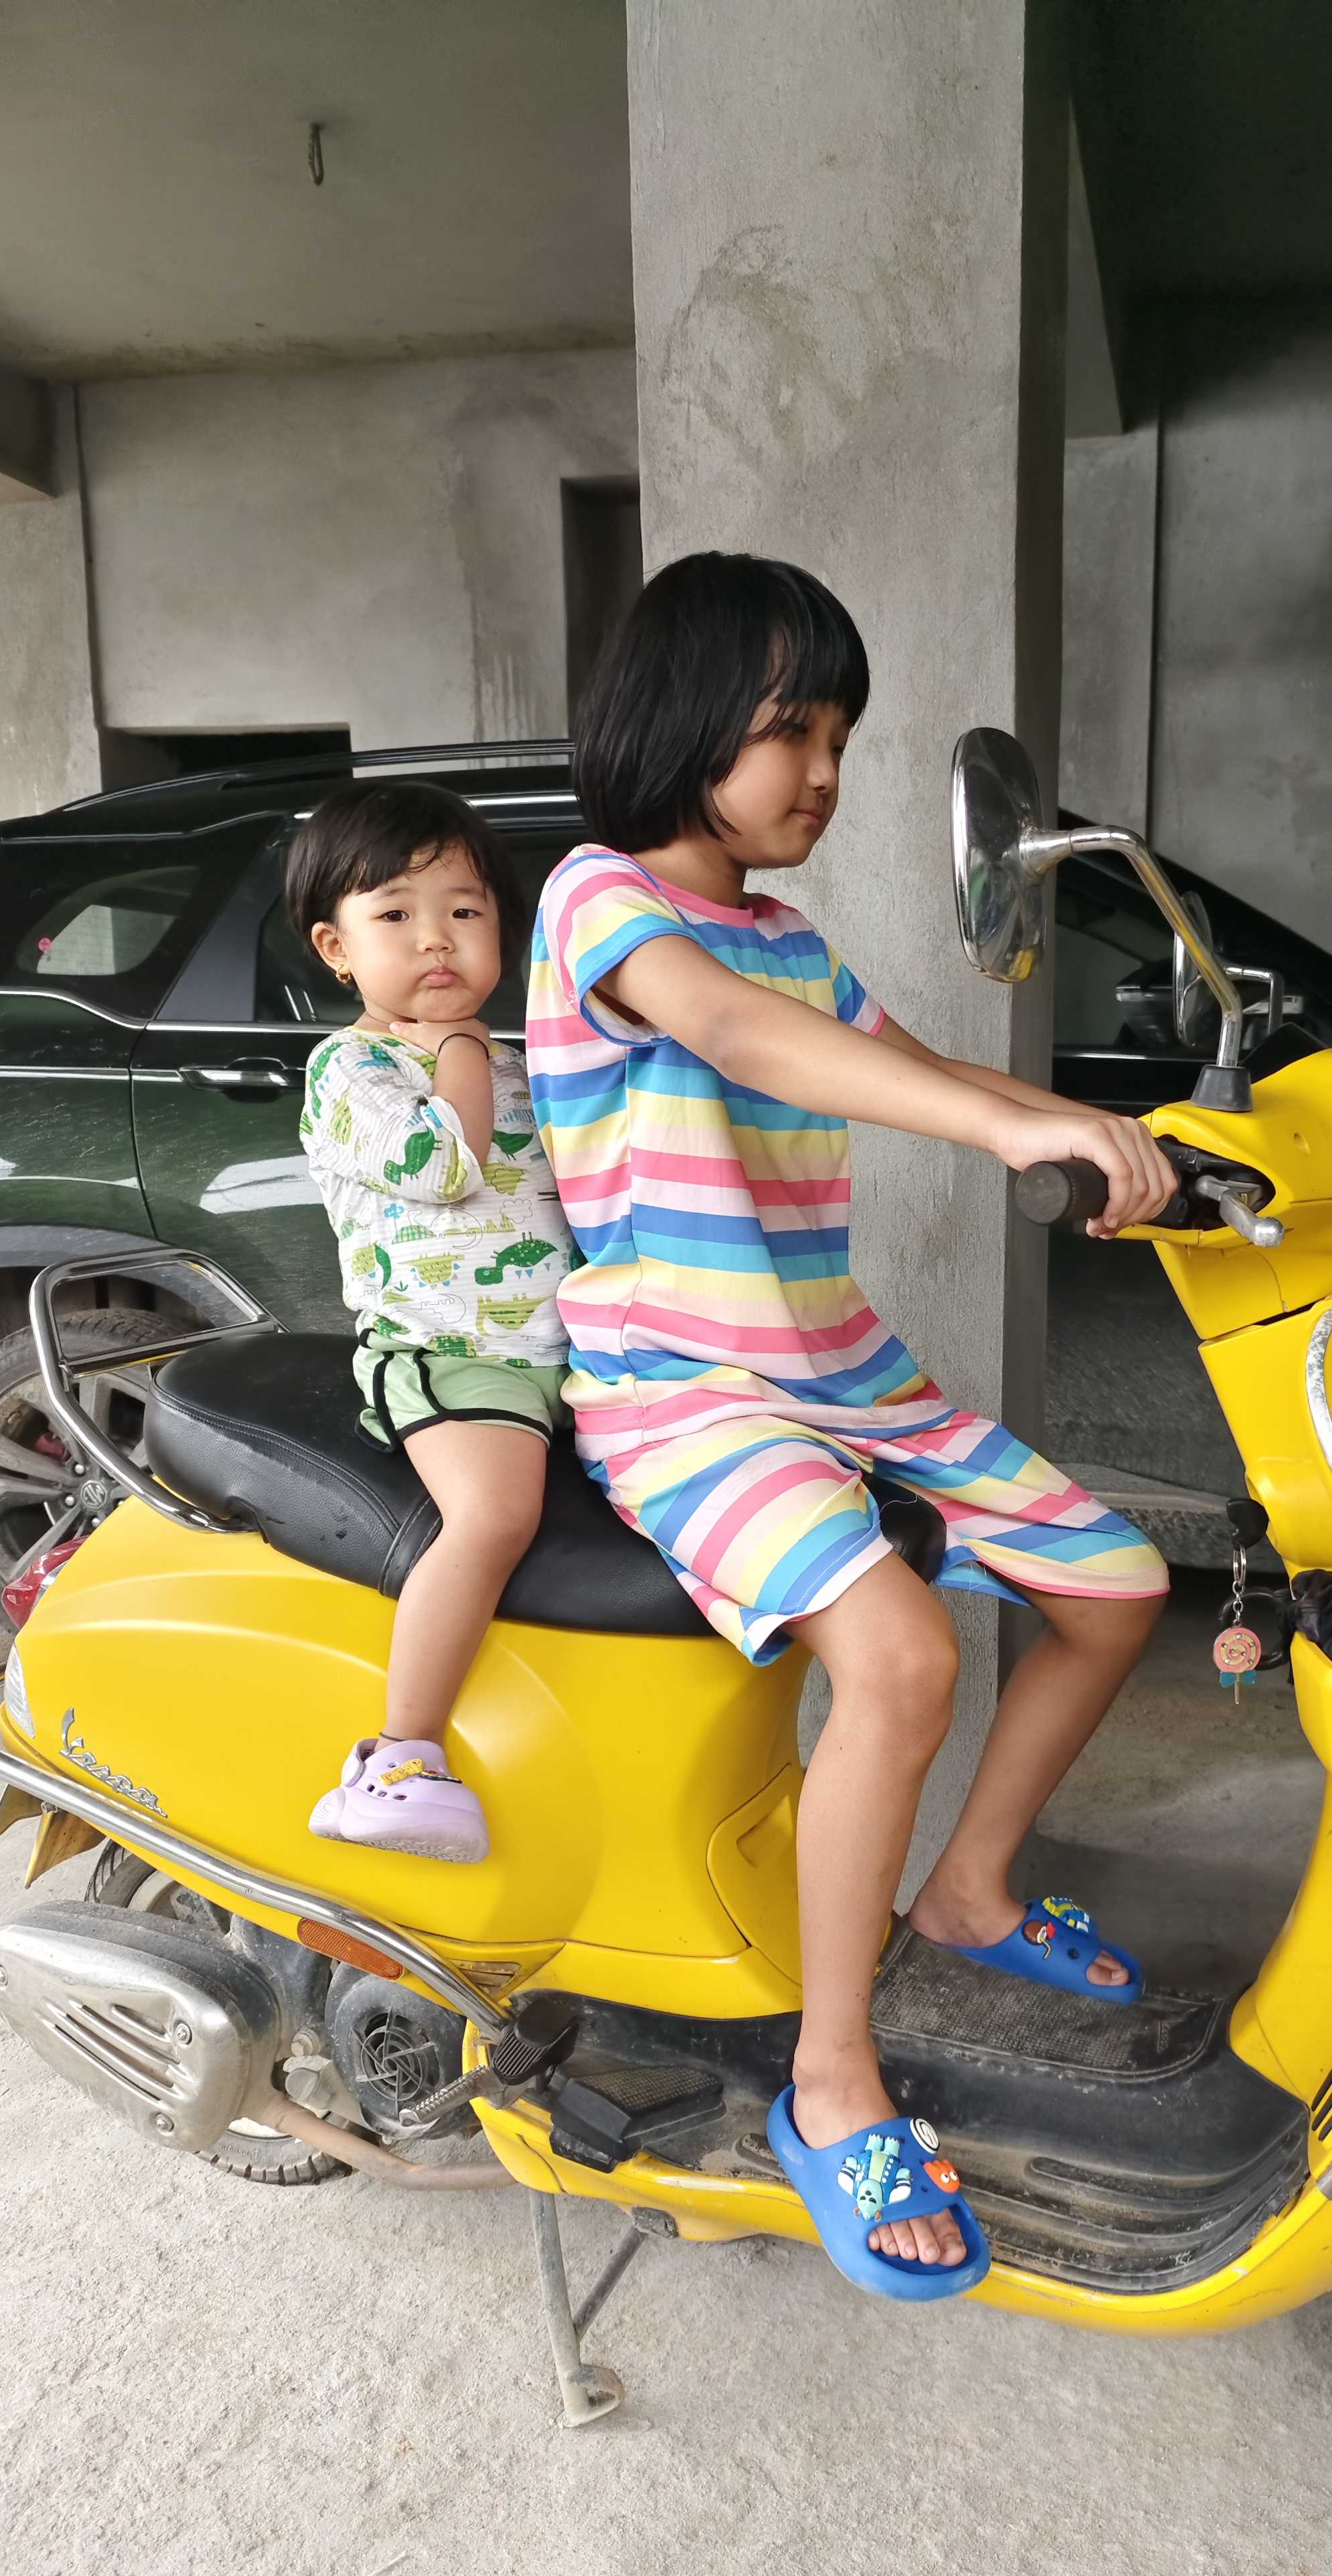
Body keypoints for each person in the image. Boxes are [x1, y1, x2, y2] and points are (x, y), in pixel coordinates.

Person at [527, 553, 1174, 2300]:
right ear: (681, 725)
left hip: (837, 1369)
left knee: (1116, 1585)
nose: (822, 773)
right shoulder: (601, 904)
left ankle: (968, 1887)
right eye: (790, 732)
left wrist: (1130, 1130)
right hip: (681, 1389)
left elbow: (932, 1071)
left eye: (840, 739)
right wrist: (1004, 1139)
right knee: (899, 1660)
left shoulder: (790, 936)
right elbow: (744, 1039)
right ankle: (831, 2077)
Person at [290, 782, 573, 1863]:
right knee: (495, 1517)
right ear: (337, 948)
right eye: (397, 915)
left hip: (564, 1354)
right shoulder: (351, 1069)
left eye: (464, 910)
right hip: (448, 1350)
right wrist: (460, 1049)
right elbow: (445, 1166)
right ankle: (399, 1757)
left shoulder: (516, 1064)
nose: (437, 939)